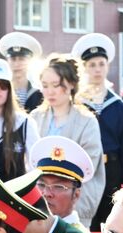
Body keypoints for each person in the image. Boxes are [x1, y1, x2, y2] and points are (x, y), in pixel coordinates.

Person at [28, 54, 104, 223]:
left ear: (71, 84)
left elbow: (88, 169)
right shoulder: (35, 117)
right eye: (45, 86)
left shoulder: (87, 121)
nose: (50, 91)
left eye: (56, 85)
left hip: (74, 206)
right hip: (39, 204)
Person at [73, 34, 123, 229]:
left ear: (108, 66)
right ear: (84, 68)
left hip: (111, 170)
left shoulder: (121, 108)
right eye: (92, 65)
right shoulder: (76, 104)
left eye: (101, 64)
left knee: (110, 224)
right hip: (83, 168)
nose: (97, 69)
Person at [0, 32, 44, 112]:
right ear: (7, 61)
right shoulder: (0, 91)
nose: (17, 64)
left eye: (22, 59)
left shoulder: (39, 94)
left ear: (30, 61)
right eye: (13, 59)